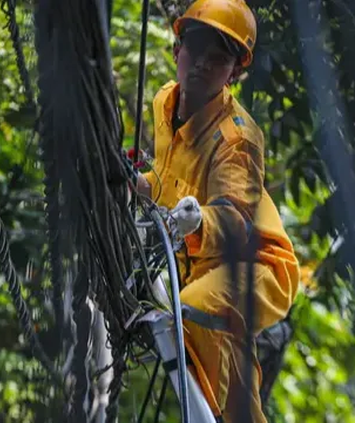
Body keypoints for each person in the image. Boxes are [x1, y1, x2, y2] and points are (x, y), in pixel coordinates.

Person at [135, 0, 300, 421]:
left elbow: (231, 221)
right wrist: (137, 185)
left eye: (220, 55)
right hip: (207, 264)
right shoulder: (164, 103)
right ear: (177, 48)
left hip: (258, 266)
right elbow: (169, 180)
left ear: (235, 72)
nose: (204, 62)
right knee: (239, 394)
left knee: (186, 309)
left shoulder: (237, 138)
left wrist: (197, 221)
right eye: (198, 44)